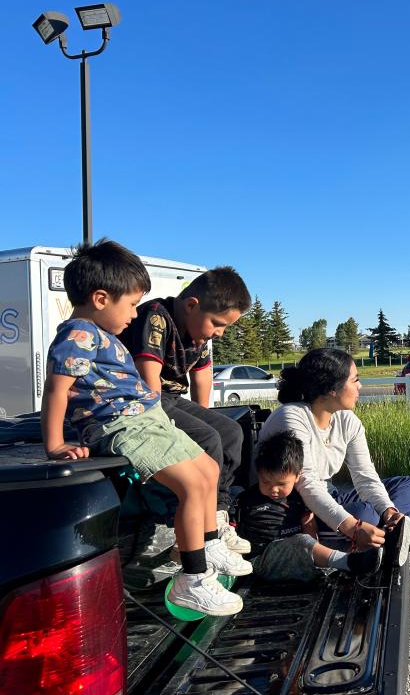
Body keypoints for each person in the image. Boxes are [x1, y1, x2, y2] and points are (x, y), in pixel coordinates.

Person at [41, 239, 250, 616]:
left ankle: (208, 540)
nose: (135, 314)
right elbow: (57, 389)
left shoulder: (103, 336)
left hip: (144, 418)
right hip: (122, 425)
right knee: (189, 484)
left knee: (207, 469)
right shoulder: (77, 335)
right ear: (102, 298)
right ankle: (193, 577)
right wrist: (54, 444)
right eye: (132, 303)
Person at [120, 266, 252, 554]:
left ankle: (218, 513)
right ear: (192, 305)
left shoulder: (199, 335)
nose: (220, 332)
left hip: (174, 400)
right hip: (147, 400)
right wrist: (163, 424)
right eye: (218, 324)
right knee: (208, 438)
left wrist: (205, 417)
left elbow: (202, 377)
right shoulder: (156, 318)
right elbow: (149, 379)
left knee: (229, 432)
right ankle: (203, 534)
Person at [258, 348, 410, 567]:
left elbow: (365, 476)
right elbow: (308, 485)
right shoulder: (292, 417)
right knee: (365, 514)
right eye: (355, 380)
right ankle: (374, 544)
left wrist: (389, 512)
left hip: (327, 494)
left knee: (405, 485)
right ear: (331, 389)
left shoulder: (347, 421)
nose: (360, 386)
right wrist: (353, 527)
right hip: (293, 506)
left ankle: (392, 537)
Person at [236, 431, 382, 581]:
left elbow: (309, 527)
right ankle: (350, 562)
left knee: (304, 541)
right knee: (301, 542)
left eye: (281, 484)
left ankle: (339, 563)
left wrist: (312, 550)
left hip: (296, 554)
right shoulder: (247, 500)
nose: (273, 489)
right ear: (259, 474)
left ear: (297, 476)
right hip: (262, 560)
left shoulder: (300, 498)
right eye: (265, 482)